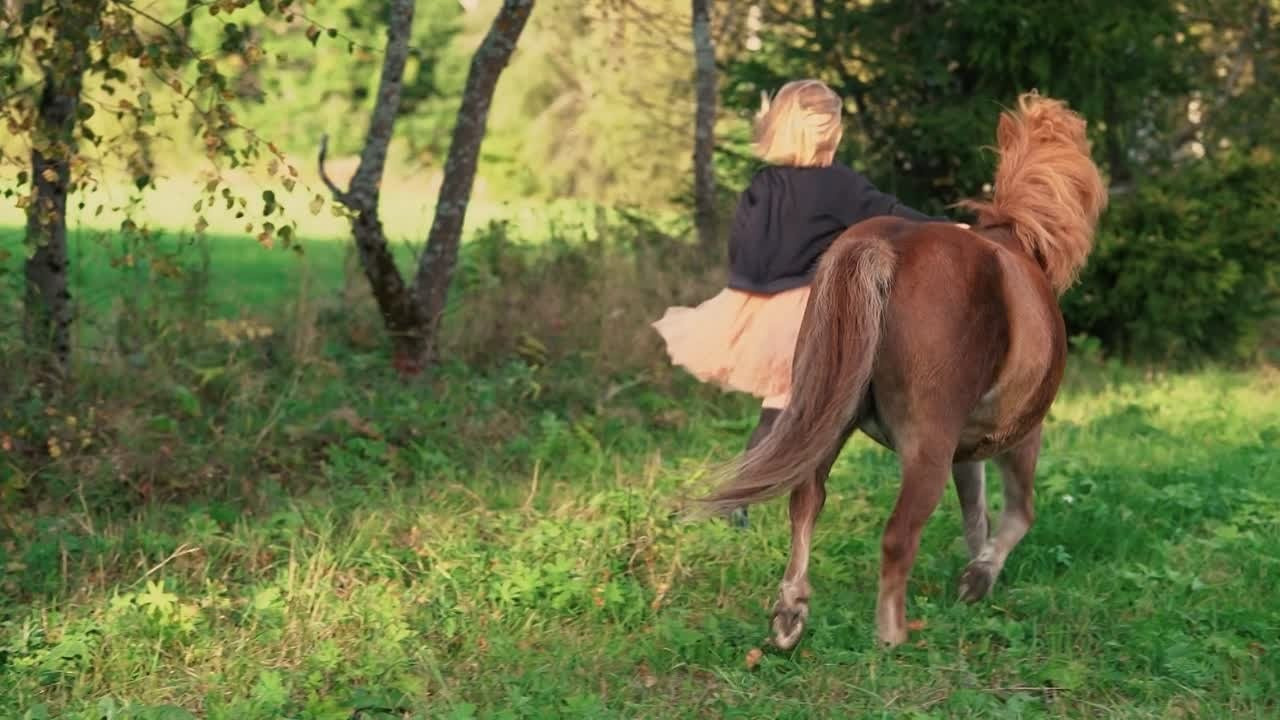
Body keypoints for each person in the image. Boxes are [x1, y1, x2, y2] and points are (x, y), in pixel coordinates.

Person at [651, 79, 963, 526]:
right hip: (807, 310)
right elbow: (890, 212)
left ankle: (736, 497)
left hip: (751, 305)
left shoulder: (762, 184)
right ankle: (737, 496)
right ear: (830, 131)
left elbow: (742, 250)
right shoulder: (837, 184)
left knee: (781, 405)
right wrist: (948, 231)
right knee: (799, 406)